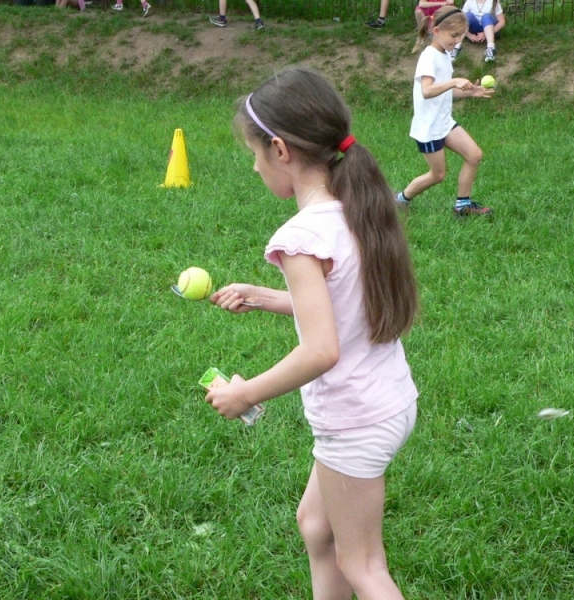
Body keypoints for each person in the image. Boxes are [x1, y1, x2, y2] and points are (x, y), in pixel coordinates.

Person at [206, 66, 419, 600]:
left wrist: (245, 393)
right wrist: (263, 295)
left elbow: (322, 349)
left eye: (254, 154)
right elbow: (343, 306)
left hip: (355, 419)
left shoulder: (301, 236)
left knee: (362, 564)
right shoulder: (354, 209)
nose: (254, 167)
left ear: (279, 150)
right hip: (388, 401)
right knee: (316, 525)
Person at [397, 6, 494, 216]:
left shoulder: (444, 55)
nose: (458, 41)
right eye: (454, 35)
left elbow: (444, 92)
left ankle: (462, 206)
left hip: (443, 122)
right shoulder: (429, 57)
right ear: (437, 31)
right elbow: (427, 91)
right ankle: (400, 200)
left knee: (474, 155)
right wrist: (454, 81)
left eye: (461, 35)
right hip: (429, 128)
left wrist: (470, 93)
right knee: (437, 175)